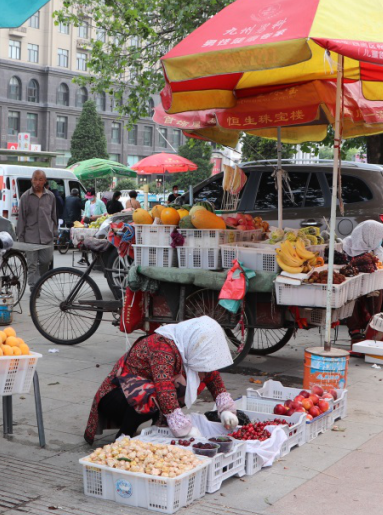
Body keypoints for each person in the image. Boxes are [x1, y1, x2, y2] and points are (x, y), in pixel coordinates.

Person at [85, 316, 239, 444]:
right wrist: (183, 429)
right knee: (161, 393)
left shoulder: (185, 347)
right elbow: (164, 389)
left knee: (184, 385)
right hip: (116, 397)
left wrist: (225, 410)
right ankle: (125, 434)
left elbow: (211, 374)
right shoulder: (162, 346)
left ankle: (157, 428)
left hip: (137, 394)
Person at [341, 221, 383, 344]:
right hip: (351, 284)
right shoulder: (346, 245)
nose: (379, 240)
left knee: (376, 292)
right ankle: (355, 332)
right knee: (350, 296)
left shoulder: (377, 251)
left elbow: (377, 267)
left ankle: (371, 327)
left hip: (369, 284)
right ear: (367, 235)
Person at [16, 169, 58, 288]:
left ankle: (39, 280)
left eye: (40, 179)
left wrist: (55, 231)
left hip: (47, 236)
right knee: (32, 264)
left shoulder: (50, 196)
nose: (37, 182)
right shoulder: (25, 197)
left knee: (46, 261)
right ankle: (34, 287)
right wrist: (21, 237)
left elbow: (54, 215)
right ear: (31, 180)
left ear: (45, 181)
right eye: (35, 179)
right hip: (31, 236)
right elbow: (22, 219)